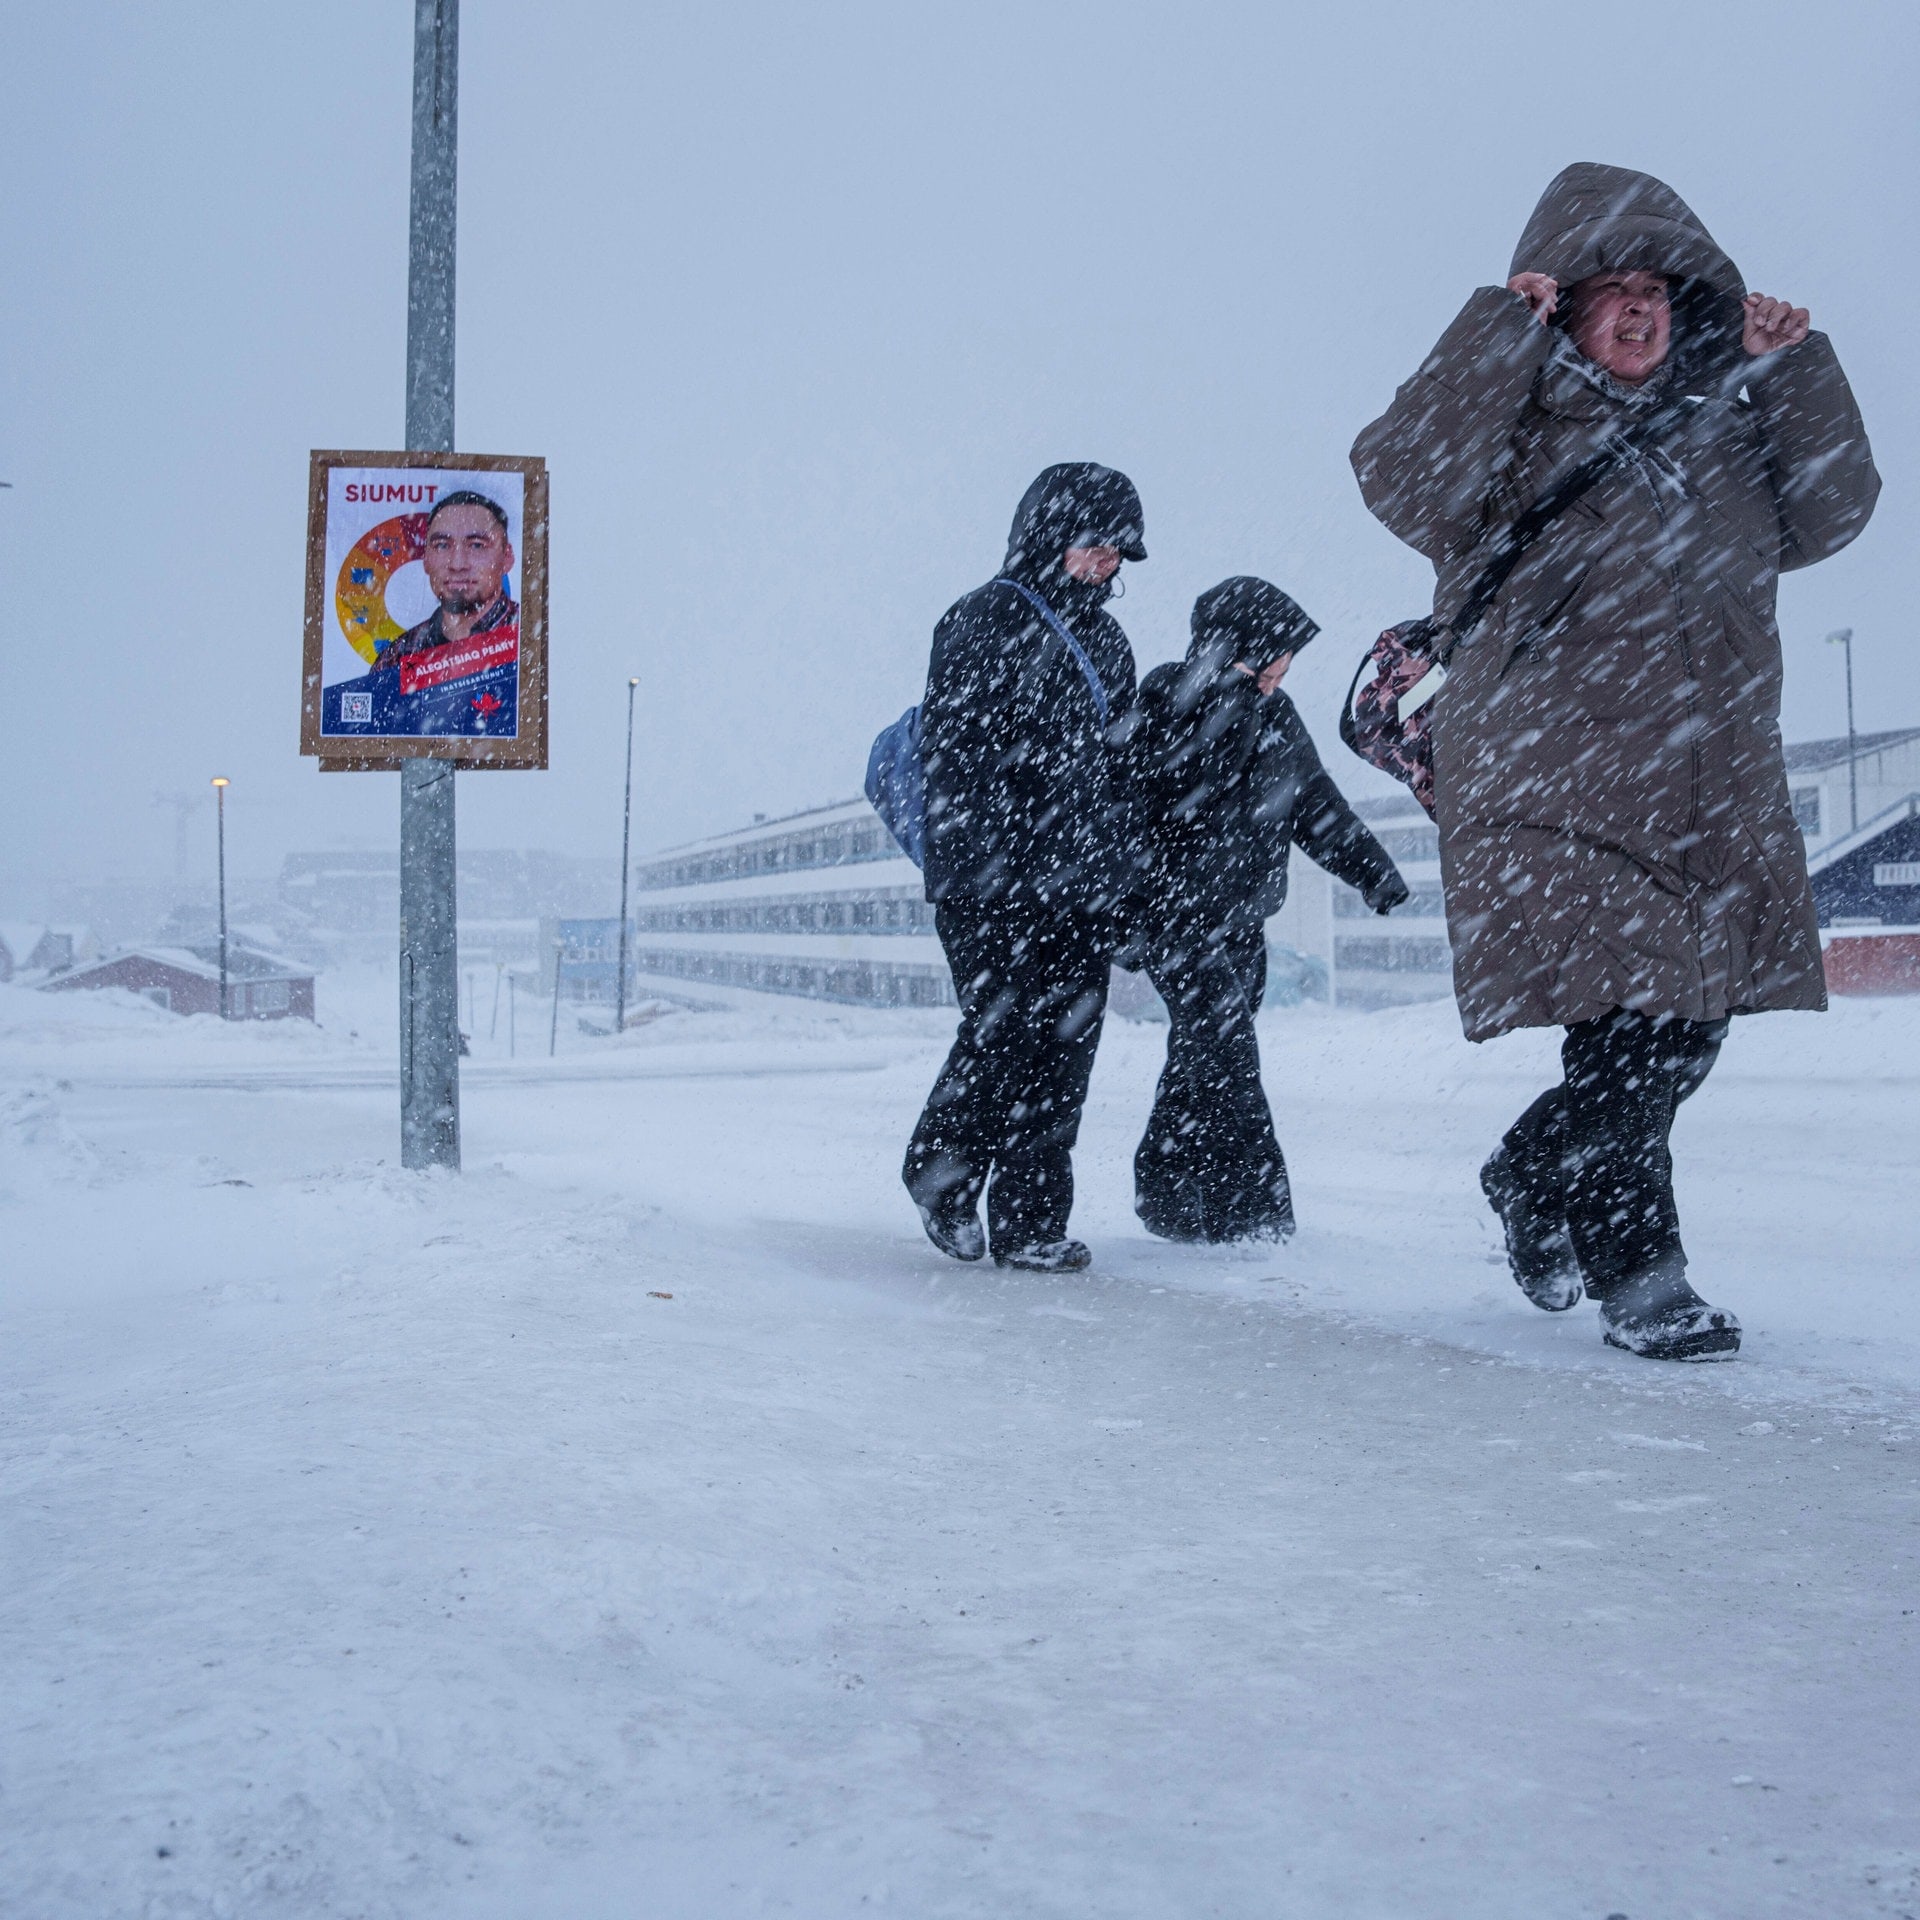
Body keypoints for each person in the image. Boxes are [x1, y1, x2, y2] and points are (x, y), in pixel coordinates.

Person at [1350, 163, 1879, 1361]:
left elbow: (1835, 513)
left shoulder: (1724, 427)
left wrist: (1792, 369)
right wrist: (1497, 336)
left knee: (1688, 1028)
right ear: (1566, 307)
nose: (1638, 309)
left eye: (1657, 289)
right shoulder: (1516, 427)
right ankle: (1641, 1273)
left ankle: (1533, 1176)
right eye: (1610, 292)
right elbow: (1402, 479)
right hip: (1553, 780)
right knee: (1634, 1027)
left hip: (1706, 780)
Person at [902, 462, 1146, 1273]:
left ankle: (1034, 1224)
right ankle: (941, 1175)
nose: (1106, 564)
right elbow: (957, 761)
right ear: (1048, 535)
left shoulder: (1109, 642)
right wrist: (994, 871)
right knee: (1002, 1036)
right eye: (1094, 546)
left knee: (1064, 1052)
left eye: (1119, 553)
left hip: (1080, 887)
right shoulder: (981, 619)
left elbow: (1120, 774)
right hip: (991, 882)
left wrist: (1121, 883)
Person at [1130, 577, 1407, 1243]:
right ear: (1237, 647)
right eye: (1276, 655)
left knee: (1203, 1053)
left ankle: (1166, 1191)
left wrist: (1374, 873)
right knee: (1227, 1049)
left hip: (1243, 919)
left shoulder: (1276, 715)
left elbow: (1315, 803)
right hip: (1176, 918)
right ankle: (1250, 1214)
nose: (1284, 671)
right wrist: (1228, 694)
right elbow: (1162, 786)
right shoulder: (1169, 695)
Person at [326, 490, 522, 737]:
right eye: (442, 545)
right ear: (426, 560)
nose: (458, 563)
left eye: (476, 545)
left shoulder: (530, 642)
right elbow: (366, 739)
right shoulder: (396, 657)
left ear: (507, 558)